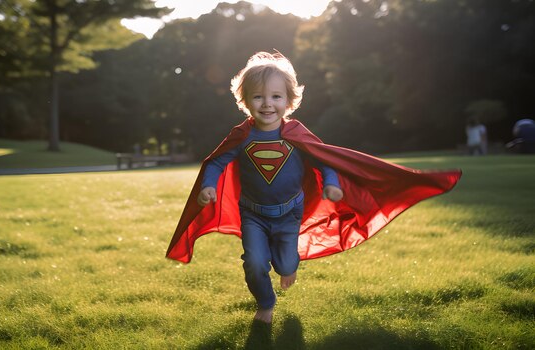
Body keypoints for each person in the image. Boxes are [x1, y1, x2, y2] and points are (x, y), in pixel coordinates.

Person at [166, 51, 461, 324]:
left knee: (285, 263)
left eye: (276, 96)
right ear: (245, 100)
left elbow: (324, 160)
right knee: (254, 263)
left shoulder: (296, 133)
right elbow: (216, 163)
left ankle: (288, 267)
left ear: (289, 100)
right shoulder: (241, 136)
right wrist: (208, 186)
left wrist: (332, 185)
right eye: (258, 97)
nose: (267, 103)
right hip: (253, 214)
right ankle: (265, 304)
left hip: (290, 213)